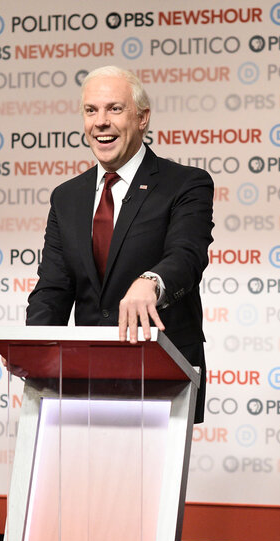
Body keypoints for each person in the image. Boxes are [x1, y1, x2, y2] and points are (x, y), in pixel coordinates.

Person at [25, 65, 214, 422]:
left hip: (160, 373)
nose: (100, 122)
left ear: (142, 118)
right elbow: (53, 287)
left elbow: (186, 256)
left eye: (114, 109)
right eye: (91, 110)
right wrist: (32, 346)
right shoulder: (67, 197)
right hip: (86, 376)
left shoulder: (185, 184)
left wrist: (151, 281)